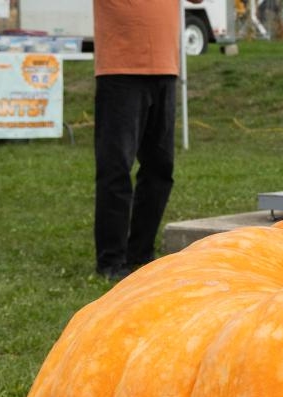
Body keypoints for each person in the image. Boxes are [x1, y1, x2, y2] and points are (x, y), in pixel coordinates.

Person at [92, 0, 180, 280]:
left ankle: (140, 254)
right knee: (116, 167)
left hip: (165, 68)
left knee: (160, 168)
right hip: (119, 70)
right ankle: (111, 260)